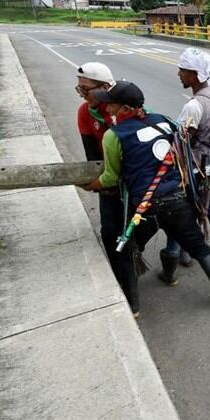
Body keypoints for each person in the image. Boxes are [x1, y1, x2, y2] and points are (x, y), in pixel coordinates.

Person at [83, 81, 210, 307]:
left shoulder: (113, 136)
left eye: (112, 105)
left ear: (126, 109)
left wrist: (90, 184)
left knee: (129, 247)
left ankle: (133, 305)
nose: (108, 109)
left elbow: (111, 178)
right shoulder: (165, 122)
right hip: (177, 200)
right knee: (198, 247)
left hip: (144, 207)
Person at [159, 48, 210, 283]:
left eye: (183, 70)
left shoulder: (194, 105)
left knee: (179, 219)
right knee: (209, 208)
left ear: (194, 74)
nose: (179, 74)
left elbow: (181, 142)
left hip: (200, 172)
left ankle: (172, 264)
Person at [75, 62, 141, 315]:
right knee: (110, 231)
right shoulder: (85, 113)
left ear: (105, 89)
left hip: (134, 181)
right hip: (109, 181)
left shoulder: (124, 108)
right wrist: (101, 184)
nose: (83, 95)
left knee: (138, 229)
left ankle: (164, 255)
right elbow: (93, 156)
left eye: (86, 90)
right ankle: (123, 282)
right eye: (79, 90)